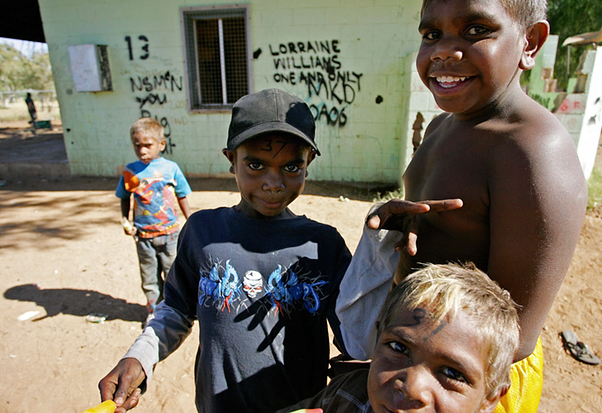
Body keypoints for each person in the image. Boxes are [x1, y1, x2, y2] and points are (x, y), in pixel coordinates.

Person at [336, 0, 587, 411]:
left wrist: (418, 371)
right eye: (431, 34)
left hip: (465, 380)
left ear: (531, 42)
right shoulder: (441, 126)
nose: (443, 51)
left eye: (475, 30)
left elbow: (516, 336)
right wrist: (395, 222)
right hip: (413, 356)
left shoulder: (533, 152)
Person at [99, 89, 352, 413]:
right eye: (256, 164)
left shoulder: (323, 245)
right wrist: (141, 356)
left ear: (309, 163)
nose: (273, 183)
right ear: (231, 159)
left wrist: (382, 251)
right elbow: (175, 309)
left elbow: (358, 338)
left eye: (291, 167)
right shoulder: (202, 232)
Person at [279, 263, 520, 413]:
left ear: (490, 399)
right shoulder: (347, 397)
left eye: (452, 374)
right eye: (398, 347)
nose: (411, 388)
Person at [115, 117, 192, 319]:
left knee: (173, 274)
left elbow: (181, 194)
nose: (142, 151)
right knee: (149, 277)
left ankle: (176, 311)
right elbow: (125, 197)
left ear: (161, 144)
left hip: (170, 234)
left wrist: (190, 219)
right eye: (137, 145)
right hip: (143, 236)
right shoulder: (131, 171)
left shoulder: (171, 169)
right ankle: (154, 312)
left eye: (148, 145)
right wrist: (125, 219)